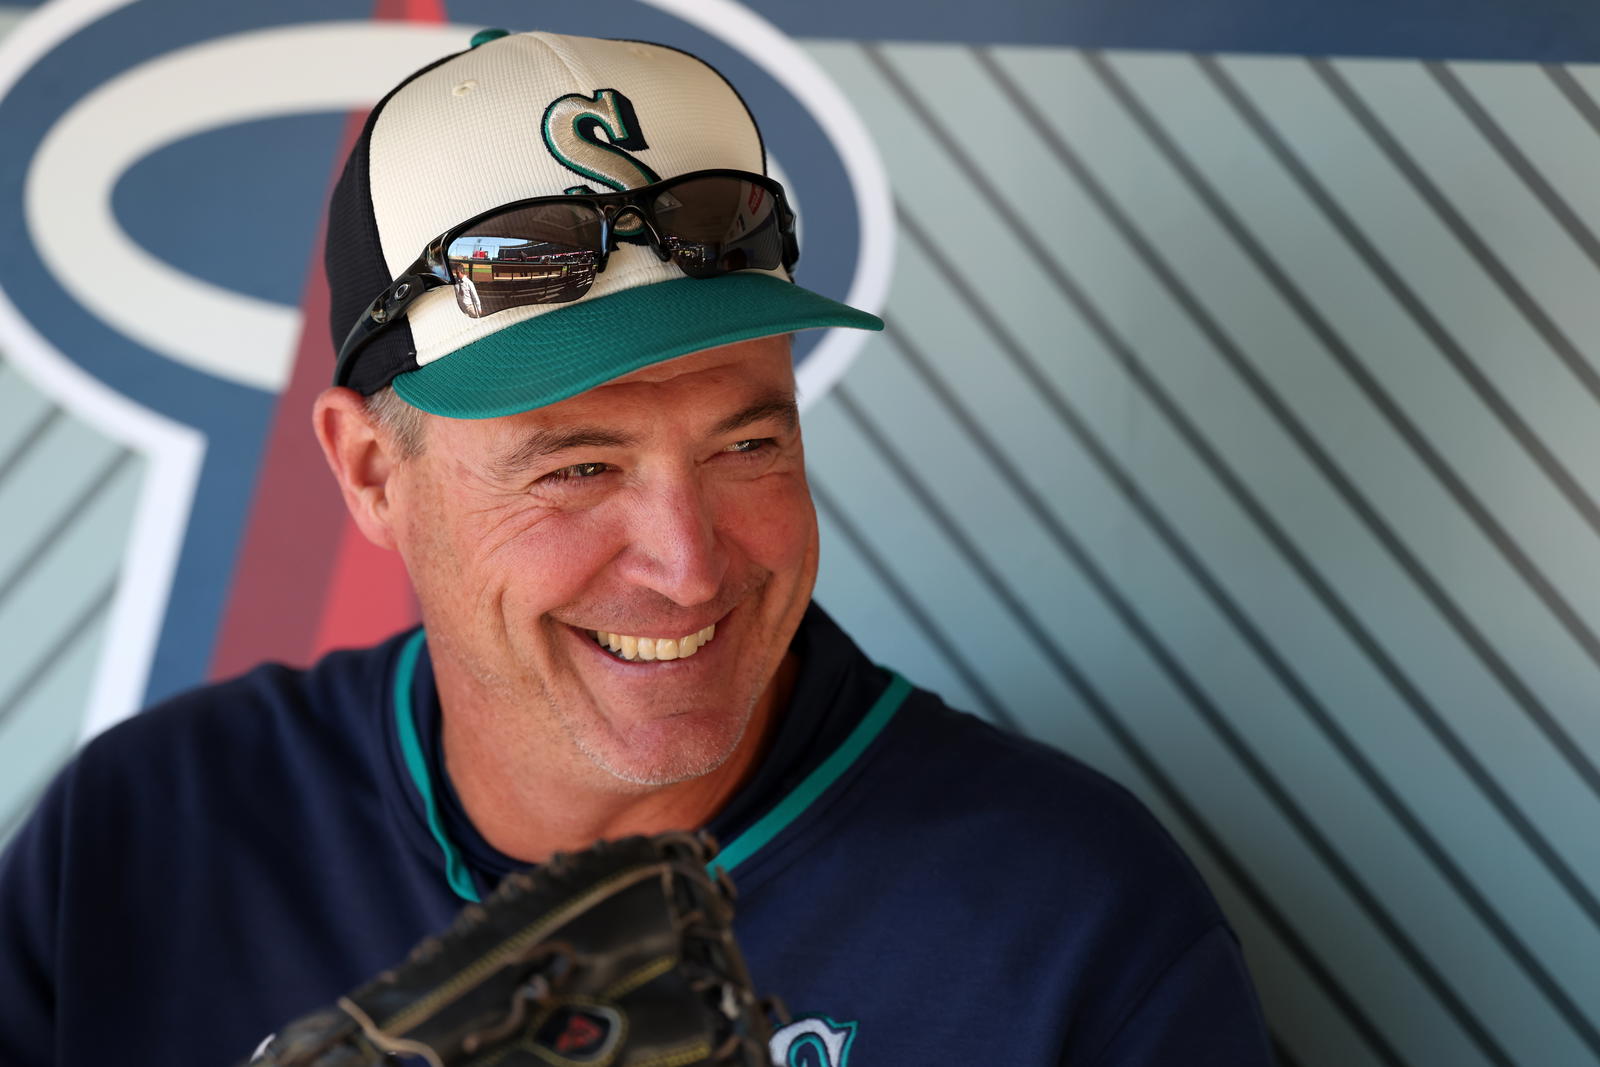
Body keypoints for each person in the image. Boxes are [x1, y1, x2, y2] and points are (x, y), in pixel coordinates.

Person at [0, 28, 1276, 1066]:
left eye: (746, 446)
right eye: (579, 466)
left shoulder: (1068, 918)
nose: (689, 564)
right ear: (373, 470)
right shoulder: (140, 836)